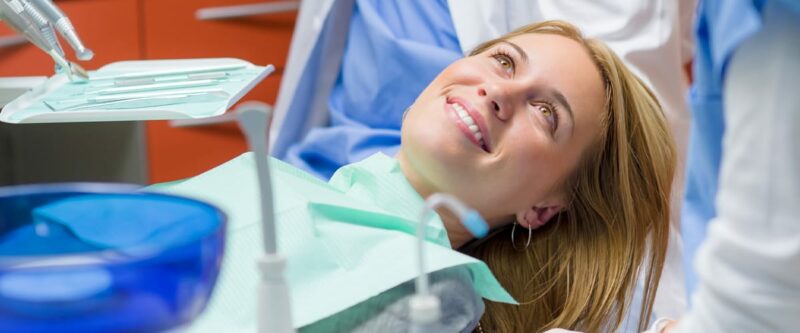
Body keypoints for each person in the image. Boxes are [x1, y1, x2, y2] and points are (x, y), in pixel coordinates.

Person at [163, 20, 676, 333]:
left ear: (540, 210)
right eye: (502, 61)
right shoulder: (275, 178)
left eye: (546, 113)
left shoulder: (432, 295)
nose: (498, 93)